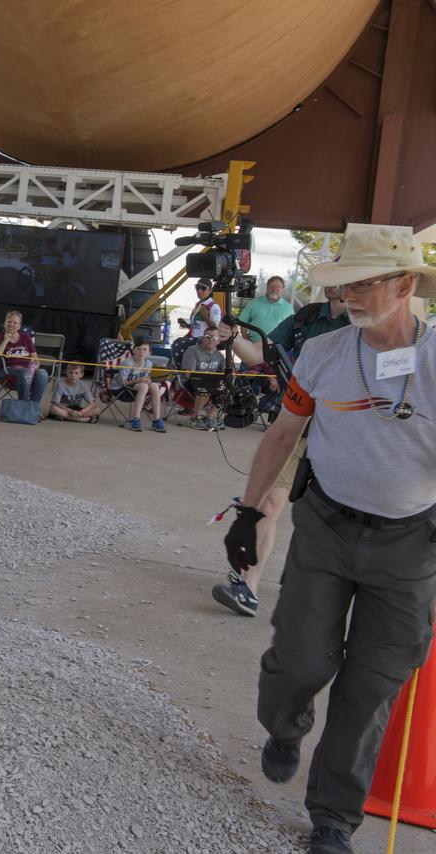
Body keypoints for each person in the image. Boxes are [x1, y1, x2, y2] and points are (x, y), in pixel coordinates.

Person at [223, 223, 436, 854]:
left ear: (404, 285)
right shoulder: (322, 355)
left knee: (373, 686)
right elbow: (283, 435)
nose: (348, 297)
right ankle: (285, 726)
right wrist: (246, 513)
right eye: (344, 286)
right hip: (328, 528)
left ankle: (333, 819)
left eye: (363, 284)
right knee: (301, 659)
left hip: (411, 545)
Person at [211, 284, 350, 616]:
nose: (333, 280)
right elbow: (258, 355)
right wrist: (232, 338)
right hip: (297, 426)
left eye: (341, 273)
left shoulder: (366, 326)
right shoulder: (305, 317)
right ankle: (248, 587)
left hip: (345, 436)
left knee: (336, 518)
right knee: (270, 503)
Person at [0, 310, 48, 404]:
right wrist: (5, 341)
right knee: (24, 373)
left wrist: (34, 366)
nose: (11, 324)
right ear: (4, 324)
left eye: (15, 322)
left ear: (19, 326)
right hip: (5, 371)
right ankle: (22, 407)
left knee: (42, 374)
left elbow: (36, 359)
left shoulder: (26, 337)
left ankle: (33, 408)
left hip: (27, 372)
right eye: (9, 321)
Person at [113, 337, 166, 432]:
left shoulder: (148, 364)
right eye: (139, 349)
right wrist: (138, 381)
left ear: (149, 353)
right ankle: (135, 418)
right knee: (143, 386)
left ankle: (156, 419)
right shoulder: (128, 363)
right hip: (121, 388)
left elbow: (144, 379)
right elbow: (122, 382)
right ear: (134, 350)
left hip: (136, 388)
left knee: (154, 385)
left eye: (145, 349)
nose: (141, 352)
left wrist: (147, 380)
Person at [180, 324, 228, 429]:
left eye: (214, 338)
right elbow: (188, 374)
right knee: (205, 388)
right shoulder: (192, 351)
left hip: (211, 383)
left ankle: (209, 417)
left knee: (228, 389)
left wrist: (230, 369)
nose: (211, 340)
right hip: (190, 382)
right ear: (202, 338)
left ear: (218, 341)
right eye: (208, 337)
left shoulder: (219, 356)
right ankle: (195, 418)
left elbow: (226, 372)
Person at [237, 275, 294, 342]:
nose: (274, 289)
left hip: (277, 349)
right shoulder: (254, 303)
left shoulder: (288, 308)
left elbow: (291, 330)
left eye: (278, 287)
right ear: (267, 287)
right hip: (254, 346)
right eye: (271, 286)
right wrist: (246, 340)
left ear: (283, 290)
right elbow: (243, 323)